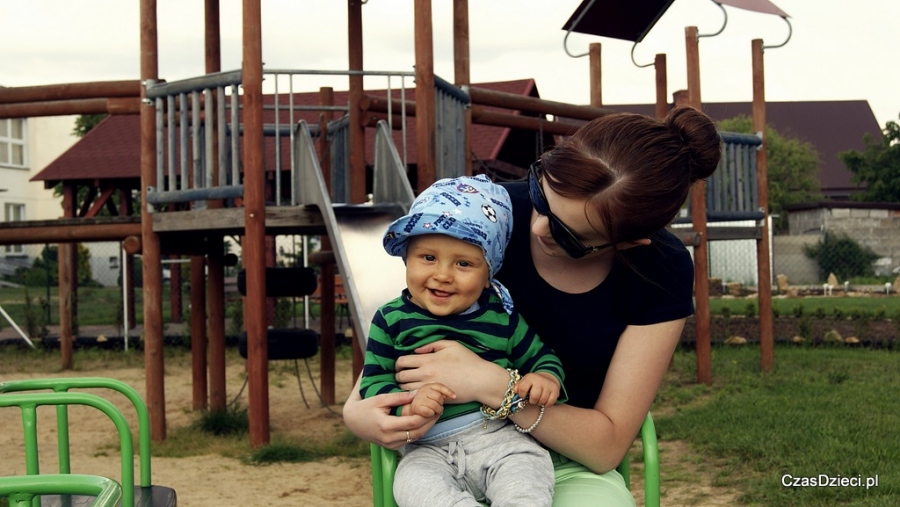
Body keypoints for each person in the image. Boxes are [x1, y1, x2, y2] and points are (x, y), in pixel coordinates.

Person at [344, 106, 722, 505]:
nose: (538, 226)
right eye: (541, 194)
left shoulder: (660, 267)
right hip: (436, 454)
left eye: (568, 235)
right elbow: (399, 337)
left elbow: (606, 445)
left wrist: (491, 384)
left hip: (565, 457)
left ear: (628, 242)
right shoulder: (486, 216)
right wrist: (361, 416)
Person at [361, 174, 566, 507]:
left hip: (499, 436)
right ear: (406, 260)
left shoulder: (502, 315)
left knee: (527, 474)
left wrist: (545, 378)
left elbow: (542, 356)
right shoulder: (390, 319)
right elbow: (373, 384)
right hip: (426, 448)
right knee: (414, 485)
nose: (442, 274)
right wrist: (408, 401)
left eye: (463, 263)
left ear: (488, 276)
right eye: (428, 258)